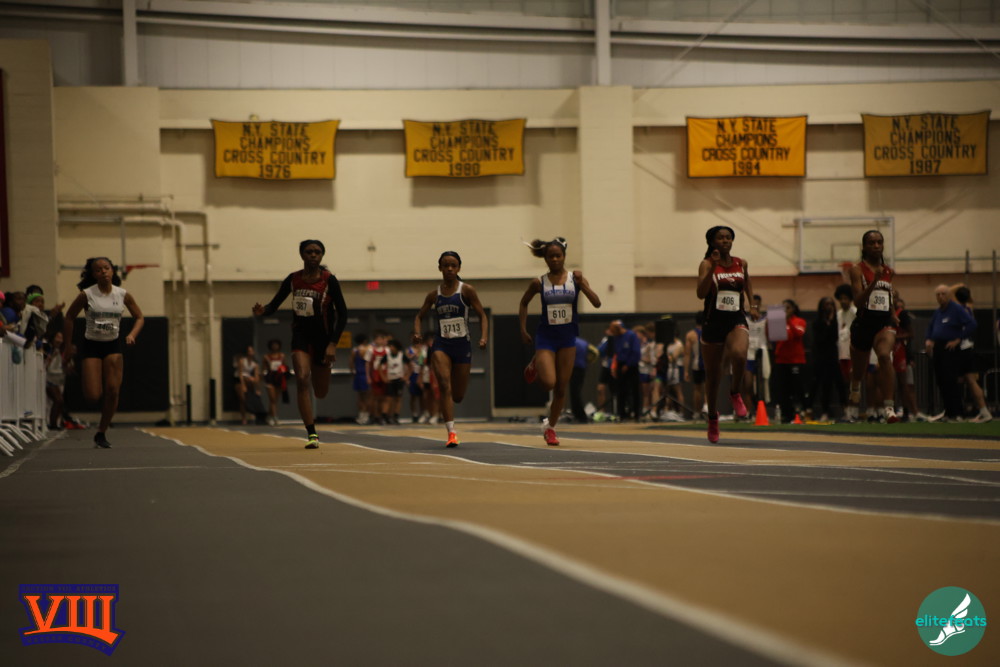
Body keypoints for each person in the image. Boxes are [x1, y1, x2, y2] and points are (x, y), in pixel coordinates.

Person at [252, 240, 348, 449]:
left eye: (317, 252)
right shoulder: (293, 279)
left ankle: (322, 368)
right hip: (301, 336)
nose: (313, 255)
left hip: (324, 339)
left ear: (322, 256)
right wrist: (263, 310)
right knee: (302, 379)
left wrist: (333, 344)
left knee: (320, 392)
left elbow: (343, 314)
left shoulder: (329, 280)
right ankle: (312, 433)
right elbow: (274, 304)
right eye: (309, 251)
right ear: (302, 255)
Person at [519, 237, 602, 445]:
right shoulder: (539, 283)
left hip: (567, 338)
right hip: (546, 338)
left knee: (561, 388)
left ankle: (551, 428)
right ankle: (537, 363)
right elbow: (524, 303)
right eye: (551, 257)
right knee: (549, 383)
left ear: (564, 256)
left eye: (558, 256)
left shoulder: (576, 279)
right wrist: (523, 329)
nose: (555, 259)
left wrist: (583, 286)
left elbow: (597, 303)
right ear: (545, 259)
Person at [62, 257, 145, 449]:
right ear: (93, 274)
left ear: (112, 271)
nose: (103, 272)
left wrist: (132, 334)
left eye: (106, 268)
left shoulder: (122, 294)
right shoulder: (87, 295)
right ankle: (98, 414)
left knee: (113, 391)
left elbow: (139, 317)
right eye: (98, 270)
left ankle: (101, 431)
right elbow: (69, 317)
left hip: (112, 345)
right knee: (93, 396)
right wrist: (68, 345)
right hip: (92, 345)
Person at [413, 251, 489, 448]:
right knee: (444, 385)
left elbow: (482, 315)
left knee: (458, 396)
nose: (449, 269)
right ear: (440, 268)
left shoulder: (467, 290)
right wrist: (417, 333)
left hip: (462, 345)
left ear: (458, 268)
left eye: (453, 265)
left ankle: (451, 422)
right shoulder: (434, 295)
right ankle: (451, 433)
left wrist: (483, 337)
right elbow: (419, 316)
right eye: (445, 265)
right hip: (441, 345)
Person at [696, 225, 756, 443]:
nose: (725, 241)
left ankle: (735, 392)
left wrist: (752, 304)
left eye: (728, 237)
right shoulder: (706, 264)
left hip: (735, 318)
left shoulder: (741, 263)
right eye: (720, 238)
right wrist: (713, 267)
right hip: (713, 322)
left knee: (739, 354)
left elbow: (746, 282)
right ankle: (713, 418)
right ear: (712, 242)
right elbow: (700, 293)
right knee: (713, 377)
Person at [846, 230, 899, 423]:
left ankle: (889, 408)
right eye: (872, 243)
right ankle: (854, 395)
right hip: (864, 322)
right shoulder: (857, 270)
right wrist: (874, 281)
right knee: (859, 371)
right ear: (864, 247)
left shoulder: (889, 271)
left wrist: (892, 313)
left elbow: (887, 296)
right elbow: (858, 302)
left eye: (879, 242)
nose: (876, 246)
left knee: (884, 356)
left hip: (883, 322)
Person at [925, 284, 977, 422]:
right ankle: (948, 411)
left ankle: (957, 412)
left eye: (943, 294)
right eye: (938, 294)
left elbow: (972, 324)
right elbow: (930, 327)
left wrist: (958, 339)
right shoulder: (938, 312)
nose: (940, 297)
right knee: (941, 380)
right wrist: (928, 340)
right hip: (938, 348)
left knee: (951, 380)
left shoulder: (956, 309)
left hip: (951, 348)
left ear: (948, 296)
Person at [951, 286, 991, 423]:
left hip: (961, 348)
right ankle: (983, 411)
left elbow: (950, 292)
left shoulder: (958, 309)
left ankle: (957, 412)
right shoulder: (969, 308)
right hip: (968, 347)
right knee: (970, 381)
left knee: (959, 381)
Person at [773, 299, 807, 423]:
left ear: (793, 309)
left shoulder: (799, 321)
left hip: (796, 360)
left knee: (797, 387)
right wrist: (770, 323)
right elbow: (773, 338)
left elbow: (798, 334)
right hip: (781, 360)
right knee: (783, 389)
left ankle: (800, 412)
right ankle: (786, 414)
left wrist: (788, 320)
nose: (785, 310)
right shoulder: (778, 321)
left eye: (787, 308)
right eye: (783, 308)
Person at [892, 296, 924, 422]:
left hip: (901, 352)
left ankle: (908, 411)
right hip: (889, 351)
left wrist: (895, 337)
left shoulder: (902, 314)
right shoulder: (885, 314)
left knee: (904, 384)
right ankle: (893, 410)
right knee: (892, 384)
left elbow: (911, 334)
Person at [809, 296, 842, 421]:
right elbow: (820, 339)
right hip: (819, 357)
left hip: (832, 357)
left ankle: (837, 409)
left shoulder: (836, 321)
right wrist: (827, 324)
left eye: (831, 304)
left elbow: (835, 338)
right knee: (816, 384)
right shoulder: (817, 323)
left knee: (833, 384)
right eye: (826, 304)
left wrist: (831, 322)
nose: (829, 307)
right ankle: (810, 408)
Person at [610, 320, 642, 422]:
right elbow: (616, 353)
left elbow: (636, 352)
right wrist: (614, 367)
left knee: (635, 390)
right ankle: (621, 414)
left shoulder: (631, 335)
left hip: (631, 366)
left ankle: (637, 414)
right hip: (620, 365)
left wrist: (628, 365)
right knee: (621, 391)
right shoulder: (616, 338)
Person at [684, 312, 707, 422]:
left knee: (697, 389)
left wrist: (685, 371)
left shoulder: (690, 335)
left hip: (696, 364)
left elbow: (687, 354)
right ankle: (706, 408)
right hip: (707, 364)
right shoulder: (709, 332)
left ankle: (697, 412)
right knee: (708, 388)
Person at [234, 345, 262, 425]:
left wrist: (258, 388)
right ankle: (243, 418)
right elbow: (240, 373)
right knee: (242, 399)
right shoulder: (242, 361)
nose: (250, 352)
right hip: (240, 380)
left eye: (252, 351)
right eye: (249, 351)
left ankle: (255, 415)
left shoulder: (254, 364)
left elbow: (257, 376)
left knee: (250, 399)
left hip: (249, 381)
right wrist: (243, 385)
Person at [263, 339, 287, 426]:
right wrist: (264, 377)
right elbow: (264, 369)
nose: (275, 346)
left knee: (275, 400)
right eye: (273, 345)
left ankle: (269, 416)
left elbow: (284, 366)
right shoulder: (266, 357)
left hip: (279, 378)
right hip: (270, 378)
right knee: (272, 399)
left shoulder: (282, 356)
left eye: (276, 345)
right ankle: (275, 417)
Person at [350, 333, 372, 425]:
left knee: (360, 396)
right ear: (365, 341)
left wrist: (353, 372)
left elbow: (351, 363)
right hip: (366, 374)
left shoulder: (354, 350)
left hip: (358, 374)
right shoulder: (368, 349)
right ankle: (366, 416)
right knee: (367, 397)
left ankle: (361, 415)